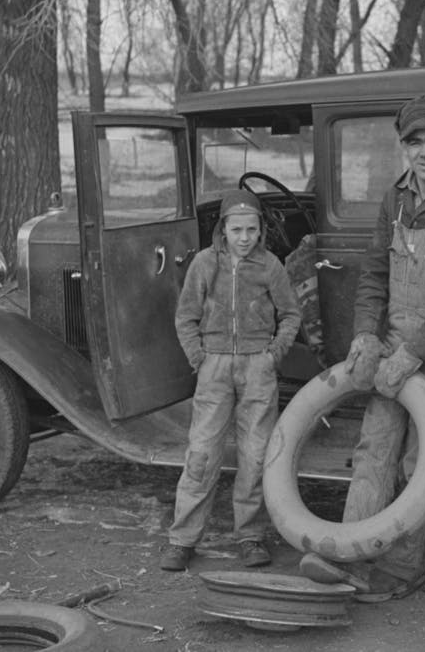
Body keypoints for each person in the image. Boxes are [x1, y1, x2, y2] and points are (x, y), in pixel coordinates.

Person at [300, 94, 425, 600]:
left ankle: (400, 567)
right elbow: (374, 276)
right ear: (403, 146)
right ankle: (346, 555)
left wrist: (415, 354)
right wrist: (366, 335)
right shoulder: (395, 199)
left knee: (419, 458)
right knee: (374, 448)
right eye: (415, 143)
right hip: (392, 343)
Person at [160, 189, 301, 572]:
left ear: (261, 230)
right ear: (223, 229)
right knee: (202, 452)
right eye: (236, 229)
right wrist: (199, 358)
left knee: (255, 456)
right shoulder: (205, 264)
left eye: (251, 229)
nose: (244, 237)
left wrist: (273, 355)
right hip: (215, 367)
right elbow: (185, 316)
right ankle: (183, 539)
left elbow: (291, 315)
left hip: (258, 367)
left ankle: (250, 536)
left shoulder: (270, 266)